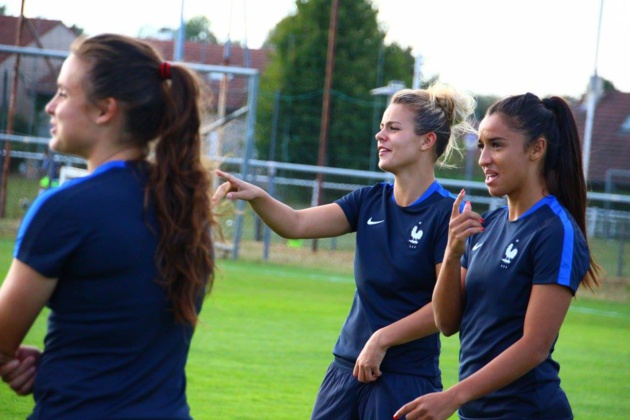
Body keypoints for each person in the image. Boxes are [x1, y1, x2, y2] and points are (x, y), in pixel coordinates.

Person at [212, 83, 476, 419]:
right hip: (345, 370)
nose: (380, 135)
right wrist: (258, 196)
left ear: (427, 141)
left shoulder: (447, 213)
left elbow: (447, 309)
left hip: (404, 381)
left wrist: (383, 339)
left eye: (393, 128)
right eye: (381, 127)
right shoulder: (368, 200)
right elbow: (295, 224)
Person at [0, 33, 215, 418]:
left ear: (105, 111)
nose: (51, 107)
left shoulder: (65, 208)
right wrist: (61, 362)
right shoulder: (185, 207)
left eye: (63, 94)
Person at [394, 93, 602, 420]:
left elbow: (534, 346)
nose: (483, 159)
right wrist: (451, 254)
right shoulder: (487, 225)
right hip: (477, 414)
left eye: (497, 145)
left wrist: (453, 396)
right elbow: (446, 323)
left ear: (536, 149)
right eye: (481, 146)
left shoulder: (555, 230)